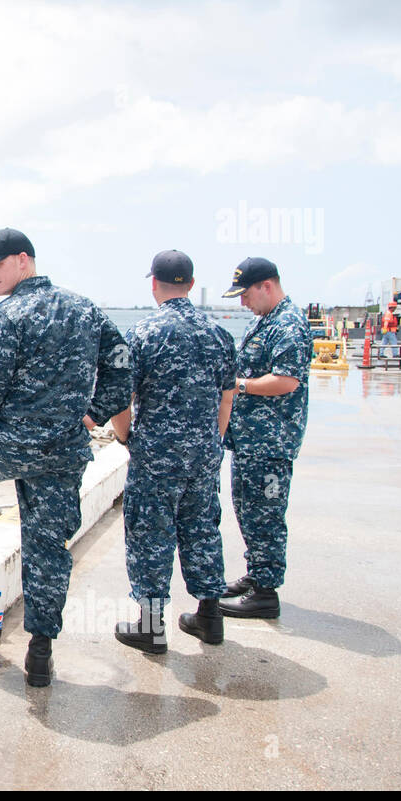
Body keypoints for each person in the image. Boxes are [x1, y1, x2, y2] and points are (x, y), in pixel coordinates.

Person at [0, 228, 132, 688]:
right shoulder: (86, 308)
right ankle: (41, 652)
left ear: (24, 261)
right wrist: (94, 414)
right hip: (63, 451)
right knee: (48, 546)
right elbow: (122, 364)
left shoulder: (9, 313)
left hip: (11, 443)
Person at [106, 251, 237, 653]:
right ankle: (210, 616)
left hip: (155, 457)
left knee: (150, 534)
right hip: (202, 455)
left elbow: (118, 399)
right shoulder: (219, 335)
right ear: (191, 286)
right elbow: (227, 400)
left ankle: (151, 627)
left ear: (153, 284)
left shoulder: (143, 334)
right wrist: (210, 444)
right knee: (202, 530)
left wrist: (128, 438)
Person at [217, 257, 312, 619]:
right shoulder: (268, 321)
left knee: (266, 515)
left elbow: (287, 380)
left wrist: (239, 386)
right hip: (252, 440)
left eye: (246, 295)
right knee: (248, 510)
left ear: (266, 286)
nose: (243, 303)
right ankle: (257, 575)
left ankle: (266, 593)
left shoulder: (288, 323)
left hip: (270, 443)